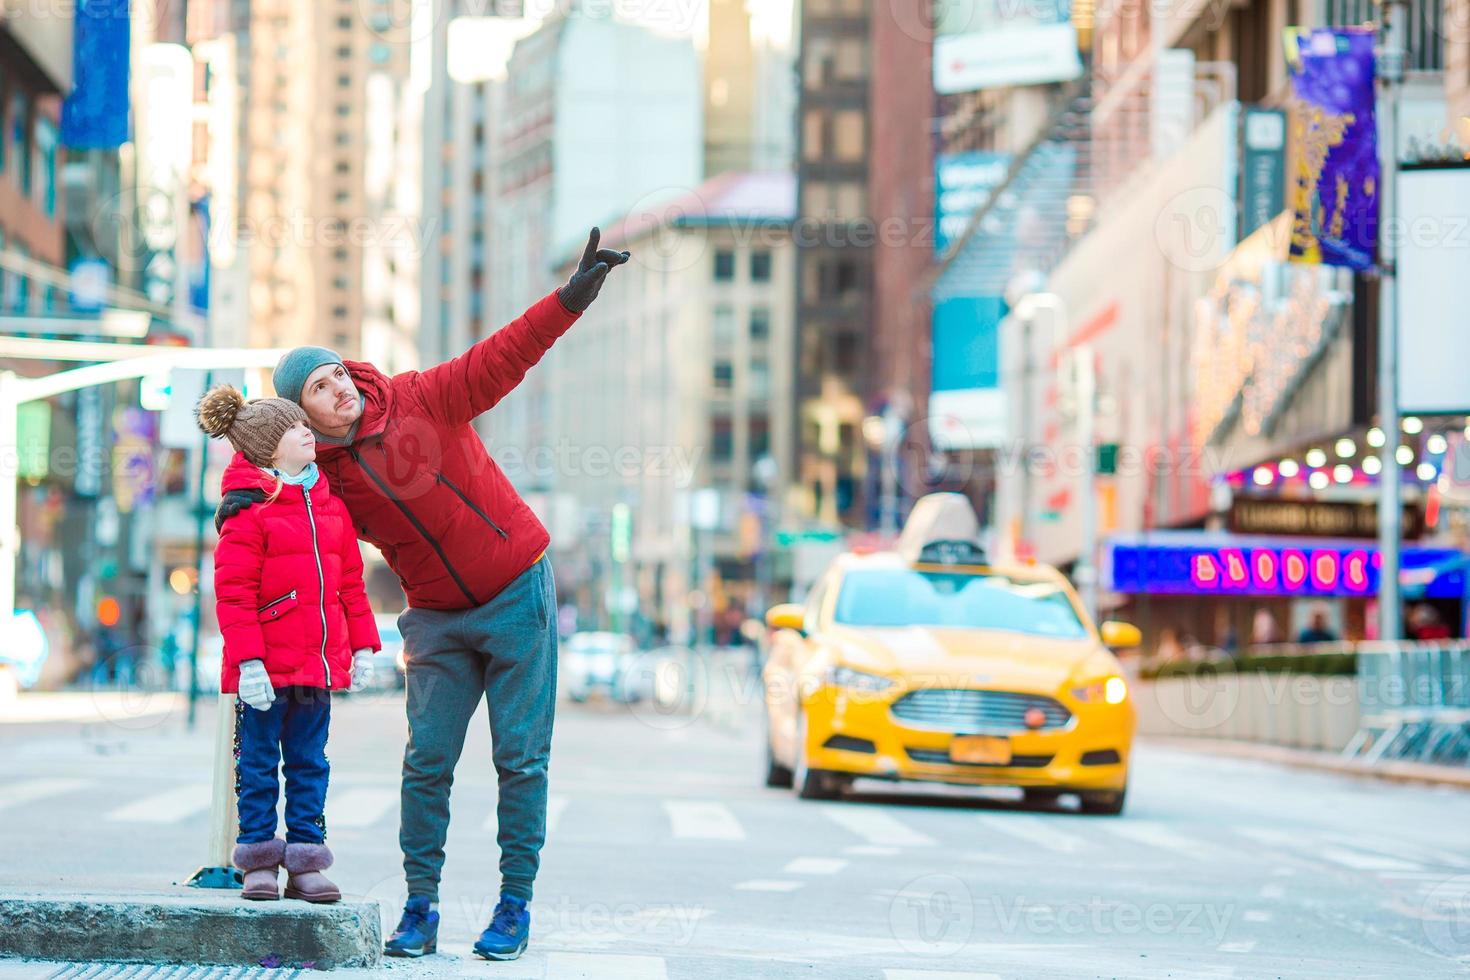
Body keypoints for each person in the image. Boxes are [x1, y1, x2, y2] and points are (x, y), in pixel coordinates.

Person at [248, 229, 628, 960]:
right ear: (307, 416)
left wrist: (569, 300)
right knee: (427, 764)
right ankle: (420, 907)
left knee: (520, 758)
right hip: (435, 622)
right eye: (318, 392)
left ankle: (514, 905)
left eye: (337, 375)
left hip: (518, 590)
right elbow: (289, 516)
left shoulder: (425, 396)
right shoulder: (327, 480)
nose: (338, 391)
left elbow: (505, 354)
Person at [197, 385, 381, 903]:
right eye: (294, 427)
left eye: (305, 424)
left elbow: (350, 585)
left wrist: (363, 646)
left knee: (310, 763)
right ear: (269, 448)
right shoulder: (247, 512)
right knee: (255, 764)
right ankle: (258, 859)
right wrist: (249, 662)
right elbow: (233, 595)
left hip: (313, 670)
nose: (308, 430)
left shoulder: (331, 509)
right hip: (263, 671)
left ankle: (306, 859)